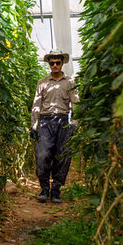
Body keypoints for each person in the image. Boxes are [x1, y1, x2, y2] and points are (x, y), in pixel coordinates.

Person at [30, 49, 79, 203]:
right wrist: (34, 125)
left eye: (58, 62)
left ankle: (56, 189)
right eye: (52, 63)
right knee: (42, 154)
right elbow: (36, 105)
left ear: (62, 63)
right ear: (49, 64)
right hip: (46, 121)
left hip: (63, 122)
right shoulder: (42, 83)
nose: (55, 65)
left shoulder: (70, 82)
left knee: (63, 155)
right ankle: (44, 188)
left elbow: (76, 104)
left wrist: (74, 125)